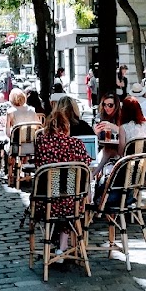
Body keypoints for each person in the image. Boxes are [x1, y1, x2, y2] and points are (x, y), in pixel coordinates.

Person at [33, 108, 93, 260]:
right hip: (72, 204)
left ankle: (56, 244)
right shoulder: (76, 144)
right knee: (68, 197)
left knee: (56, 196)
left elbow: (38, 166)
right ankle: (63, 246)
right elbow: (86, 167)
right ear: (66, 127)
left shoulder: (41, 142)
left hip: (46, 202)